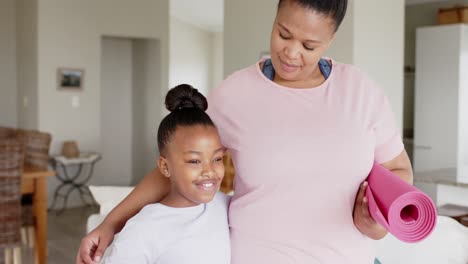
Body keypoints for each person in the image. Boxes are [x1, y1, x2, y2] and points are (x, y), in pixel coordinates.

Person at [77, 0, 413, 263]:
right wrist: (111, 224)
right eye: (283, 34)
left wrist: (375, 220)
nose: (291, 53)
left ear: (330, 39)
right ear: (275, 17)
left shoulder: (361, 91)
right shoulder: (235, 94)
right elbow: (178, 165)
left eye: (309, 45)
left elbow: (398, 169)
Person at [104, 84, 230, 264]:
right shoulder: (144, 229)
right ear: (165, 167)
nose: (209, 171)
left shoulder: (227, 207)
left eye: (217, 159)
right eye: (194, 161)